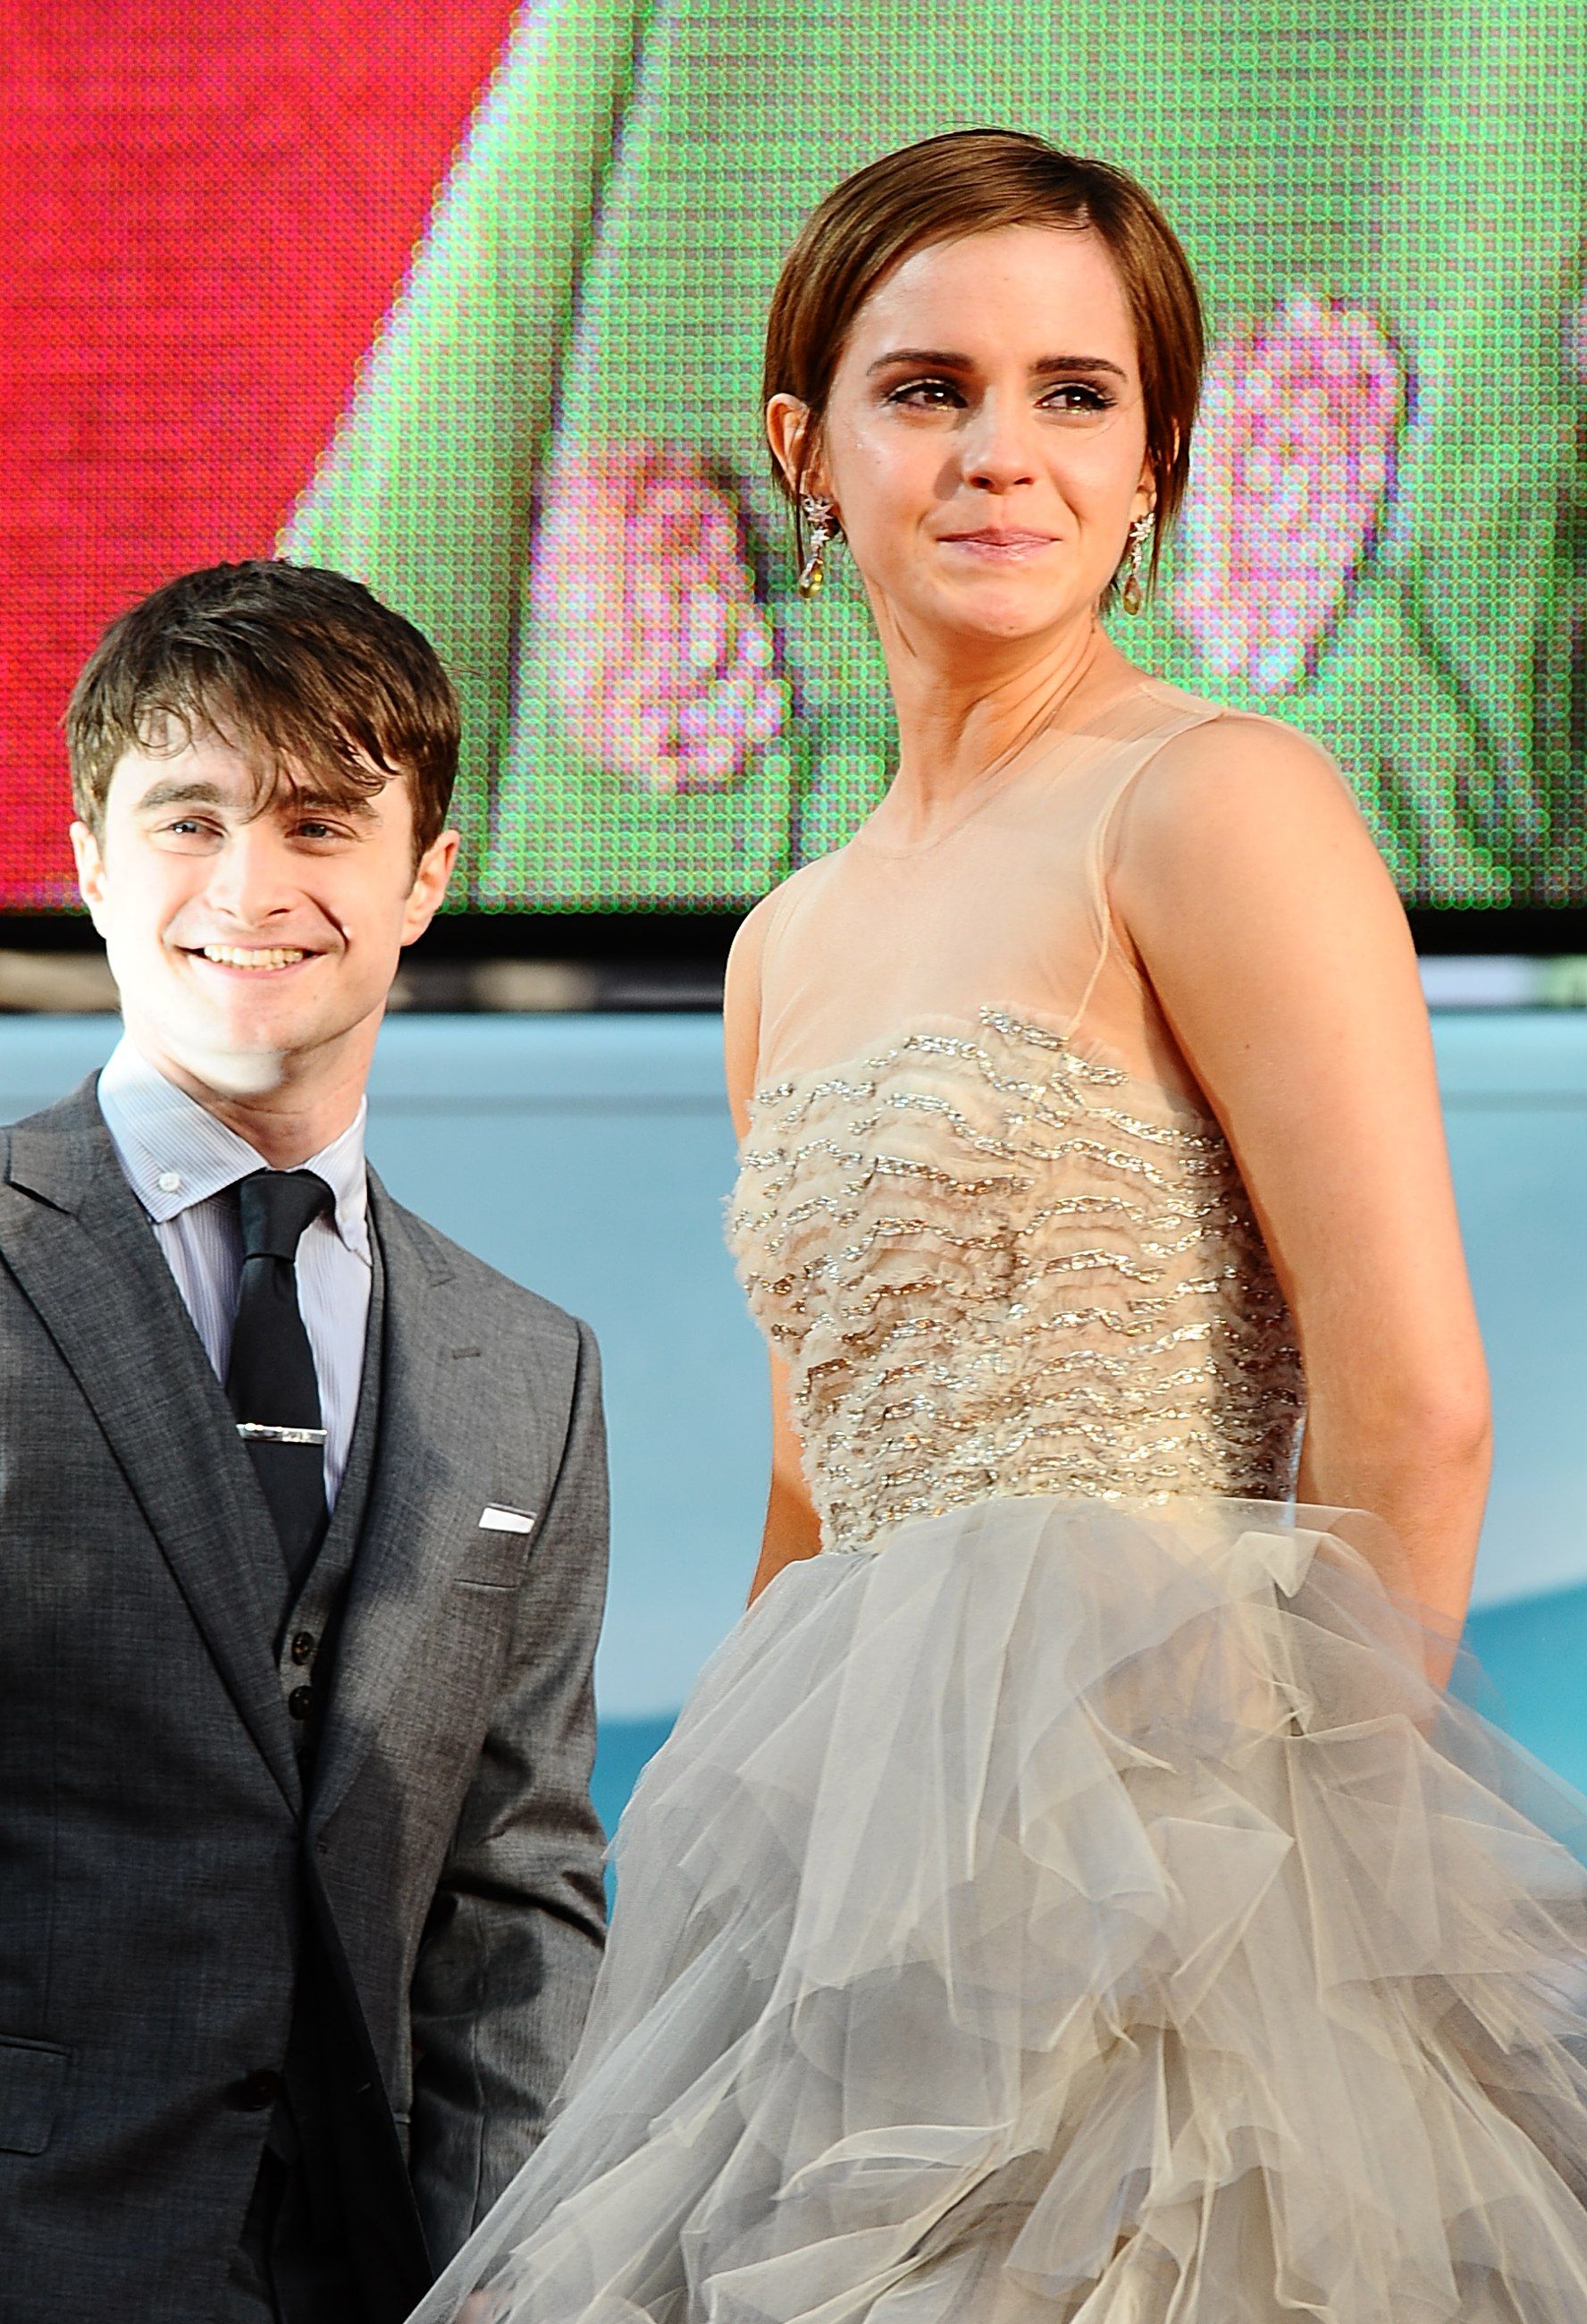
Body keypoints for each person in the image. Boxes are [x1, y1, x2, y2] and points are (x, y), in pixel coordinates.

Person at [412, 132, 1587, 2323]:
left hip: (1179, 1856)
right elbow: (816, 1479)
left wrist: (1304, 1894)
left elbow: (1412, 1397)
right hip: (855, 1879)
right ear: (805, 447)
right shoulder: (780, 946)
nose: (1001, 455)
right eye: (928, 389)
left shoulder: (1215, 802)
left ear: (1154, 465)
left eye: (1076, 393)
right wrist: (724, 1899)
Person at [0, 560, 609, 2323]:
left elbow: (514, 1892)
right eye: (189, 820)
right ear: (93, 863)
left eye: (321, 823)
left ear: (426, 877)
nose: (250, 887)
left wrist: (504, 2282)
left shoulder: (530, 1370)